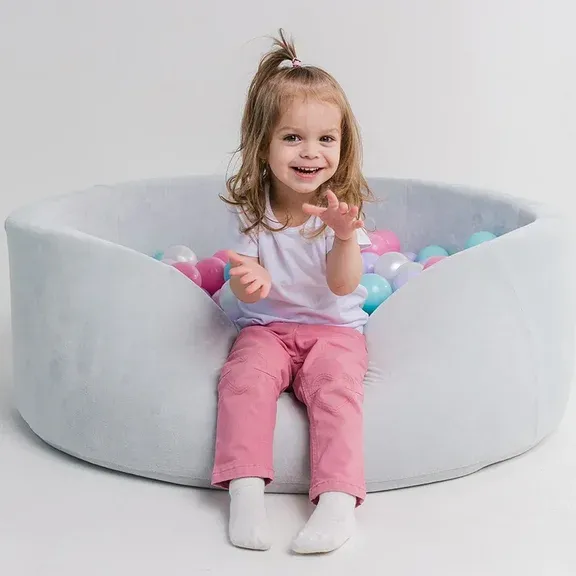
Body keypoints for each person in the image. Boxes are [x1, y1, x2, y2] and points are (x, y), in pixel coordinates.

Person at [212, 29, 374, 554]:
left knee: (335, 390)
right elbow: (247, 289)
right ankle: (245, 491)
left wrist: (344, 237)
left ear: (343, 146)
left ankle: (337, 501)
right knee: (243, 381)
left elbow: (344, 285)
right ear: (262, 145)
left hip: (335, 332)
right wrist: (248, 283)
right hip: (268, 328)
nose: (311, 152)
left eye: (326, 139)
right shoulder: (252, 210)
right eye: (292, 138)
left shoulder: (340, 211)